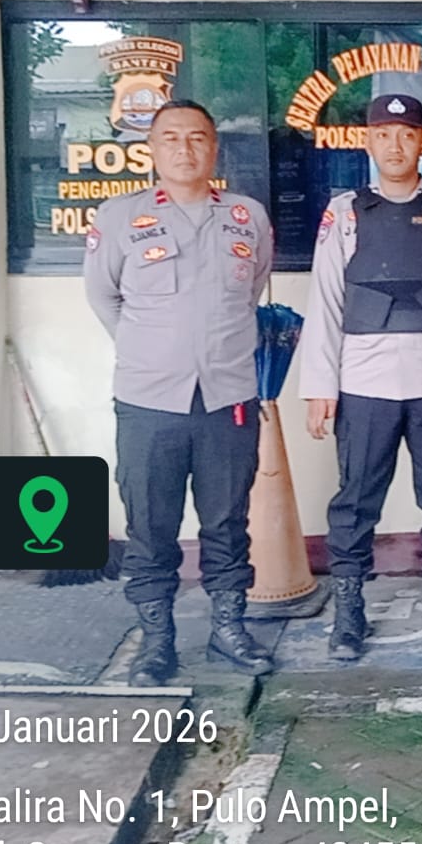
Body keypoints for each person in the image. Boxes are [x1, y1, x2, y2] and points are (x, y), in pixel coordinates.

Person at [84, 100, 276, 686]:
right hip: (148, 402)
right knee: (150, 526)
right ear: (152, 149)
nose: (185, 149)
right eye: (171, 138)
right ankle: (157, 641)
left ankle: (229, 631)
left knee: (228, 522)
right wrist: (153, 349)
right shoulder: (120, 217)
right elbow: (103, 296)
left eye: (197, 138)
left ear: (214, 148)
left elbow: (251, 292)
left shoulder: (246, 216)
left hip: (228, 397)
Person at [300, 94, 422, 660]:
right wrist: (319, 387)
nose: (395, 145)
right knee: (356, 502)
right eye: (384, 134)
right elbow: (326, 302)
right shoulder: (345, 213)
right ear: (368, 141)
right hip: (365, 385)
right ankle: (349, 614)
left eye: (407, 134)